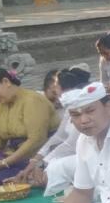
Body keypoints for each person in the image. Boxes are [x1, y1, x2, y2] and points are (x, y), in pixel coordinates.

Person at [0, 67, 59, 187]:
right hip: (13, 156)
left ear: (6, 82)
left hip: (37, 157)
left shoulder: (33, 100)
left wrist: (5, 162)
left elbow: (36, 140)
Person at [27, 68, 90, 196]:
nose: (56, 95)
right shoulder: (69, 108)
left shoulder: (82, 106)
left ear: (65, 89)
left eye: (56, 89)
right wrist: (36, 159)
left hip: (87, 154)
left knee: (55, 166)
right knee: (51, 165)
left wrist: (42, 164)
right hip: (75, 153)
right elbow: (59, 136)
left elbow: (70, 144)